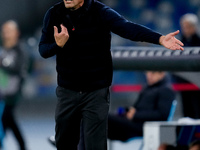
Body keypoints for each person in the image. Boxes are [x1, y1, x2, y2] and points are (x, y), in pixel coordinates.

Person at [38, 0, 184, 149]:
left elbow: (127, 28)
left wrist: (159, 39)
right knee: (64, 143)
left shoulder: (100, 11)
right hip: (67, 91)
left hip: (95, 92)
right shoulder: (54, 13)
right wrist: (58, 45)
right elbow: (43, 50)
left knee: (96, 146)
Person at [108, 71, 175, 141]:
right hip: (134, 123)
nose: (149, 76)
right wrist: (128, 111)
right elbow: (136, 108)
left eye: (153, 73)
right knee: (105, 121)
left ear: (162, 74)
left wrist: (136, 115)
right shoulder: (147, 88)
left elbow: (162, 115)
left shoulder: (166, 90)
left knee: (105, 119)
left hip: (144, 127)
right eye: (148, 73)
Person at [0, 20, 28, 150]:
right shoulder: (2, 48)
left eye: (9, 31)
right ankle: (22, 145)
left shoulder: (20, 50)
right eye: (4, 31)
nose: (6, 34)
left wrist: (3, 62)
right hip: (1, 92)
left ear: (17, 33)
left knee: (5, 118)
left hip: (11, 94)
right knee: (8, 120)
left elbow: (17, 68)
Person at [172, 13, 200, 119]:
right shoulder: (179, 42)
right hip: (183, 82)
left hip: (197, 83)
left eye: (187, 26)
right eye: (183, 26)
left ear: (193, 27)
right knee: (186, 111)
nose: (185, 29)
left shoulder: (198, 42)